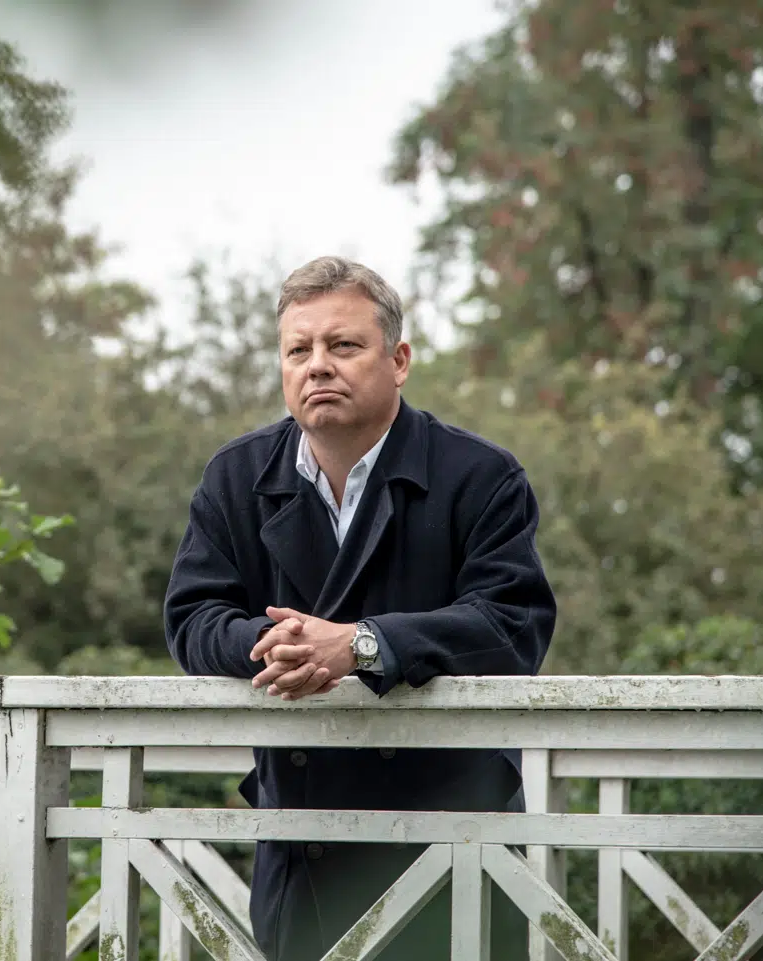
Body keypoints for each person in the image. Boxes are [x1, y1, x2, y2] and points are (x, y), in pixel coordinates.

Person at [163, 256, 556, 960]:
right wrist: (270, 643)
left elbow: (513, 626)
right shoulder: (235, 475)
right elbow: (192, 616)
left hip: (456, 845)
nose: (318, 366)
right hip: (303, 843)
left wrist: (362, 644)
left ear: (399, 360)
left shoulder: (482, 475)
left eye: (343, 345)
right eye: (298, 349)